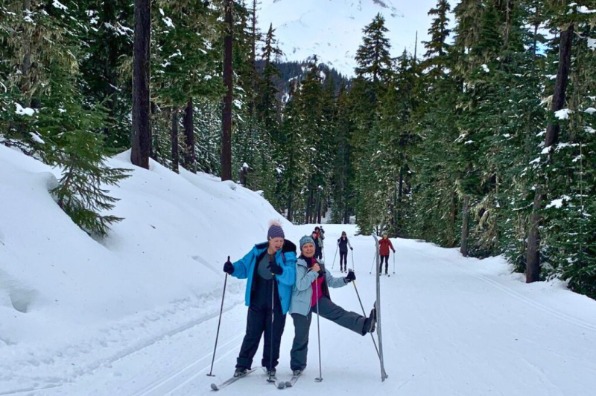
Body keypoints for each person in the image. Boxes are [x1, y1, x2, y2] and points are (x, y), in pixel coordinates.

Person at [288, 235, 376, 375]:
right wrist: (314, 272)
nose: (309, 248)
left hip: (318, 300)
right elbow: (300, 285)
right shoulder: (299, 265)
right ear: (301, 249)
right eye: (305, 247)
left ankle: (365, 324)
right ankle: (297, 366)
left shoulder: (319, 263)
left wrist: (346, 279)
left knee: (339, 313)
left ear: (314, 247)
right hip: (301, 304)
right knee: (301, 335)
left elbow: (331, 281)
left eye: (311, 246)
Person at [223, 221, 297, 378]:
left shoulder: (287, 255)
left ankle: (270, 366)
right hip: (257, 300)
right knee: (252, 333)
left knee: (273, 335)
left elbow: (291, 277)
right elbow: (243, 266)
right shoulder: (257, 252)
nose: (279, 244)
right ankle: (242, 365)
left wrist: (280, 270)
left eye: (281, 241)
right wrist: (232, 268)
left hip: (277, 302)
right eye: (276, 240)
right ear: (269, 239)